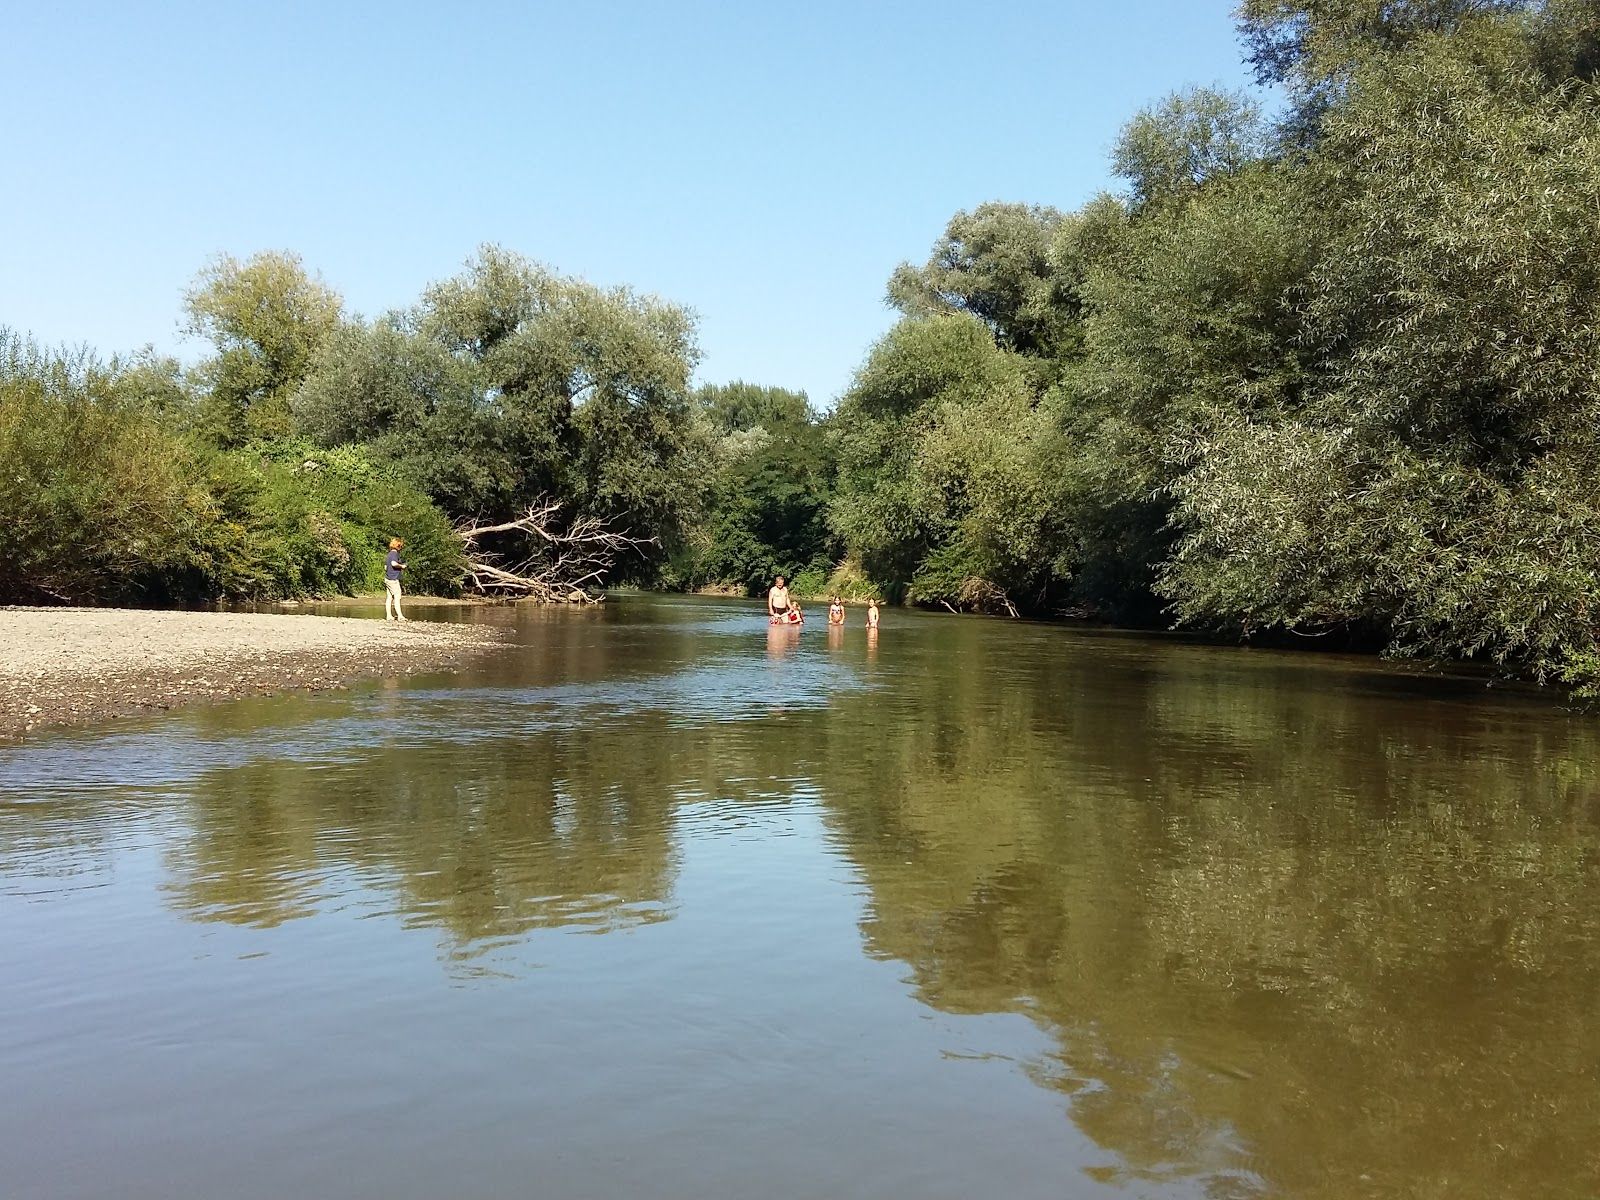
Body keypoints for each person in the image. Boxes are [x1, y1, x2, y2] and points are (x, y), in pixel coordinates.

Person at [384, 538, 408, 622]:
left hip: (387, 578)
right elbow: (393, 564)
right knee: (397, 597)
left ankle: (389, 616)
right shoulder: (394, 554)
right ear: (398, 546)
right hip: (393, 579)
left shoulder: (389, 554)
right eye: (401, 546)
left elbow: (385, 567)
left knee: (389, 597)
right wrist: (402, 566)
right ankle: (400, 616)